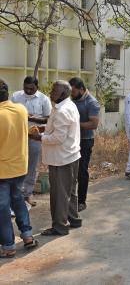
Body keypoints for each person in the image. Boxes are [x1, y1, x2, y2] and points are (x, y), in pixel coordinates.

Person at [29, 81, 82, 236]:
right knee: (70, 192)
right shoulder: (67, 106)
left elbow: (58, 138)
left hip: (61, 159)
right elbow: (57, 128)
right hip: (71, 156)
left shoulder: (62, 110)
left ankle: (59, 227)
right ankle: (74, 219)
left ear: (64, 93)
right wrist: (43, 129)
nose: (51, 93)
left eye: (54, 90)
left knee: (59, 194)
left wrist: (39, 137)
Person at [0, 79, 38, 258]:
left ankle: (8, 246)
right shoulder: (21, 110)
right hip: (20, 167)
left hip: (2, 171)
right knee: (18, 200)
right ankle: (28, 236)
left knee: (2, 208)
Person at [11, 76, 52, 207]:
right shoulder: (16, 96)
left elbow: (48, 118)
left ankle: (27, 194)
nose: (28, 90)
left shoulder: (44, 99)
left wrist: (32, 117)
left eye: (31, 88)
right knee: (16, 163)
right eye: (26, 88)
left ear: (37, 87)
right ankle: (15, 194)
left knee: (32, 166)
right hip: (17, 136)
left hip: (35, 136)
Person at [68, 77, 100, 212]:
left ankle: (81, 201)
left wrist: (75, 124)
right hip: (71, 139)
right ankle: (71, 199)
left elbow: (93, 124)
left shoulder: (91, 102)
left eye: (74, 92)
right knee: (70, 171)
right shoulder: (72, 100)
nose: (72, 95)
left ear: (81, 89)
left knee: (81, 171)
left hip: (85, 141)